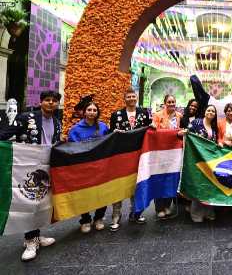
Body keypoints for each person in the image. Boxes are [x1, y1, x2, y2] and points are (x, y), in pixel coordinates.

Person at [0, 90, 61, 261]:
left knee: (41, 202)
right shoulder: (26, 117)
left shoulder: (57, 122)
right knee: (29, 201)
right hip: (27, 167)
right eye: (47, 100)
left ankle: (37, 235)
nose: (51, 103)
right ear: (41, 102)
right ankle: (30, 241)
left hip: (47, 166)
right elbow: (5, 134)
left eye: (54, 101)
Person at [109, 87, 152, 231]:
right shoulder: (116, 115)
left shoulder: (144, 113)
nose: (132, 99)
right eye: (129, 97)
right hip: (121, 155)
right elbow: (111, 135)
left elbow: (148, 131)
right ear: (124, 98)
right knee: (118, 185)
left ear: (136, 98)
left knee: (137, 182)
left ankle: (136, 211)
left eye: (133, 96)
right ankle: (116, 215)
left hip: (138, 154)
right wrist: (114, 132)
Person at [68, 101, 110, 233]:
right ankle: (85, 220)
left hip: (101, 167)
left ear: (97, 113)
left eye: (94, 110)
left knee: (102, 194)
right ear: (84, 112)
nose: (92, 112)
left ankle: (99, 218)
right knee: (83, 194)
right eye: (89, 110)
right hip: (83, 168)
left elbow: (109, 142)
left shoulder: (103, 127)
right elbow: (73, 148)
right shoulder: (75, 129)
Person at [151, 94, 183, 219]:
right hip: (160, 153)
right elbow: (153, 130)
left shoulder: (179, 116)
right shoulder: (158, 115)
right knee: (160, 180)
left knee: (171, 179)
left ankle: (167, 205)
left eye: (173, 102)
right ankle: (159, 208)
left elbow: (180, 131)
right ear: (165, 103)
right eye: (169, 102)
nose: (171, 104)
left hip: (174, 153)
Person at [187, 105, 218, 222]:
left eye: (213, 111)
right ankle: (196, 214)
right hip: (197, 159)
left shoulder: (214, 127)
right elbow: (188, 135)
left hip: (210, 161)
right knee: (198, 186)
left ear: (215, 114)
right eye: (208, 110)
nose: (210, 112)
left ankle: (208, 211)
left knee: (209, 186)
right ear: (204, 112)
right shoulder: (196, 122)